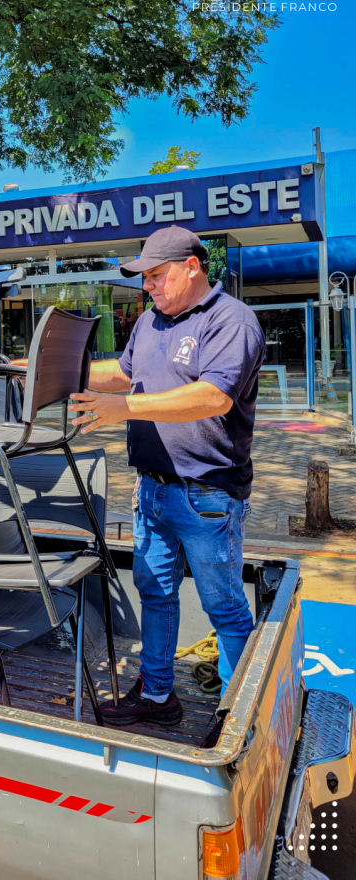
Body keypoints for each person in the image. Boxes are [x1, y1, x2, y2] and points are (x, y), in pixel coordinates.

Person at [68, 225, 265, 727]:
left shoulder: (231, 321)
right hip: (152, 491)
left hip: (208, 496)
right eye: (145, 278)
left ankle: (239, 716)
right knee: (156, 594)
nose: (148, 287)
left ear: (192, 267)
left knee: (223, 607)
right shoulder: (152, 321)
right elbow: (122, 372)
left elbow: (212, 397)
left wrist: (124, 408)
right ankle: (158, 697)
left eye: (157, 275)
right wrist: (49, 369)